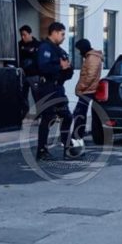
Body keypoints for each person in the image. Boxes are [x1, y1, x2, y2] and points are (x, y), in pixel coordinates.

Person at [36, 22, 75, 161]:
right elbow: (43, 67)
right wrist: (59, 66)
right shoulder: (45, 48)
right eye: (62, 34)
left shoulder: (59, 50)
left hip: (58, 88)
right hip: (47, 88)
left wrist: (67, 68)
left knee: (67, 116)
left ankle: (68, 148)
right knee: (48, 118)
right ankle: (41, 150)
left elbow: (68, 70)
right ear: (54, 32)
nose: (64, 37)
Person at [72, 39, 104, 141]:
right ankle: (77, 135)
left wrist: (80, 88)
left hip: (88, 90)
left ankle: (77, 136)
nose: (78, 52)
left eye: (79, 49)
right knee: (81, 113)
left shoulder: (92, 58)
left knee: (79, 113)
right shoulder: (91, 57)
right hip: (89, 90)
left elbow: (90, 76)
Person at [18, 25, 41, 118]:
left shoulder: (38, 44)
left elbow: (39, 59)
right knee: (22, 96)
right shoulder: (19, 45)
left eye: (25, 35)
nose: (23, 37)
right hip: (22, 75)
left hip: (34, 75)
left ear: (30, 34)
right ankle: (25, 114)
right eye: (21, 35)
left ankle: (40, 115)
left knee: (37, 96)